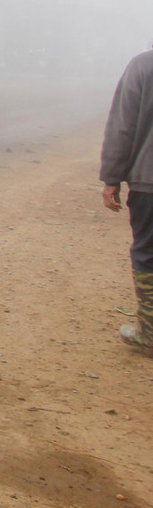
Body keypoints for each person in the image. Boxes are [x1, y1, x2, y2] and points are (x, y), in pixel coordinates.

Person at [98, 48, 153, 357]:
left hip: (149, 183)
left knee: (148, 253)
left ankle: (150, 333)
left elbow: (123, 126)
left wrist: (111, 178)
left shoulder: (143, 66)